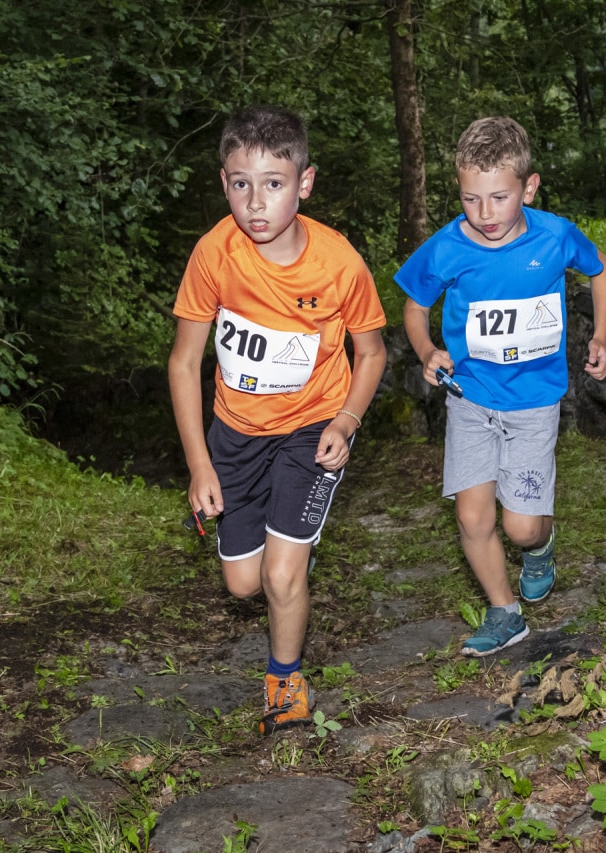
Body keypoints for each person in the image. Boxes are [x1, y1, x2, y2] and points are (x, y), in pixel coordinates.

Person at [167, 106, 387, 734]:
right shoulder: (215, 253)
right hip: (236, 432)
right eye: (241, 183)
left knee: (281, 575)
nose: (255, 202)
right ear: (223, 183)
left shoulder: (339, 263)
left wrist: (345, 422)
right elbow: (184, 363)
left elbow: (372, 353)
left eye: (273, 183)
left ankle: (285, 684)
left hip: (313, 427)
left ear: (304, 183)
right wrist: (199, 465)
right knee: (244, 584)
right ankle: (286, 564)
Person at [396, 116, 606, 657]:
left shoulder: (554, 236)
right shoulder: (447, 248)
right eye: (471, 199)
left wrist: (601, 336)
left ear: (529, 187)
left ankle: (540, 546)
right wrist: (427, 351)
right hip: (470, 397)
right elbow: (415, 307)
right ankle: (504, 611)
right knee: (472, 516)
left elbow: (602, 270)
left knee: (521, 529)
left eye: (499, 198)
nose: (485, 214)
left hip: (534, 403)